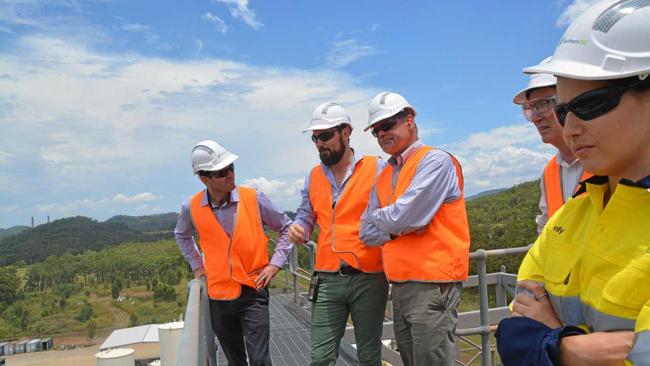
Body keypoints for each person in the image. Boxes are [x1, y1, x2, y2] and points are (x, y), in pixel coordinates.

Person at [497, 0, 650, 364]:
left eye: (593, 104)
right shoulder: (575, 214)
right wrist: (574, 348)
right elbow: (515, 332)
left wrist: (553, 342)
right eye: (564, 111)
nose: (570, 127)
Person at [359, 91, 470, 366]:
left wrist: (391, 220)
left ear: (409, 120)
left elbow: (400, 218)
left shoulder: (436, 161)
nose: (381, 133)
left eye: (387, 125)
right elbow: (366, 231)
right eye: (376, 130)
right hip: (401, 285)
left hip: (433, 283)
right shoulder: (385, 174)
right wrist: (399, 225)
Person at [174, 140, 293, 366]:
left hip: (253, 289)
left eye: (231, 168)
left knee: (259, 360)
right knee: (235, 361)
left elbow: (286, 227)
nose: (230, 174)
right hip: (219, 295)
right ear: (204, 178)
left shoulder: (254, 198)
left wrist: (275, 264)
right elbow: (181, 235)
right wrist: (198, 267)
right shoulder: (191, 207)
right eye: (222, 172)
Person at [287, 102, 389, 366]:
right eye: (315, 138)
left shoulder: (376, 168)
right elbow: (306, 215)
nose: (320, 143)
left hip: (369, 277)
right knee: (320, 358)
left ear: (346, 132)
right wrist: (300, 227)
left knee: (369, 356)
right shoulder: (313, 176)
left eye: (325, 135)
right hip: (327, 278)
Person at [513, 62, 592, 234]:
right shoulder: (550, 172)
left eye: (541, 105)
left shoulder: (612, 159)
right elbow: (546, 229)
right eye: (530, 108)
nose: (535, 117)